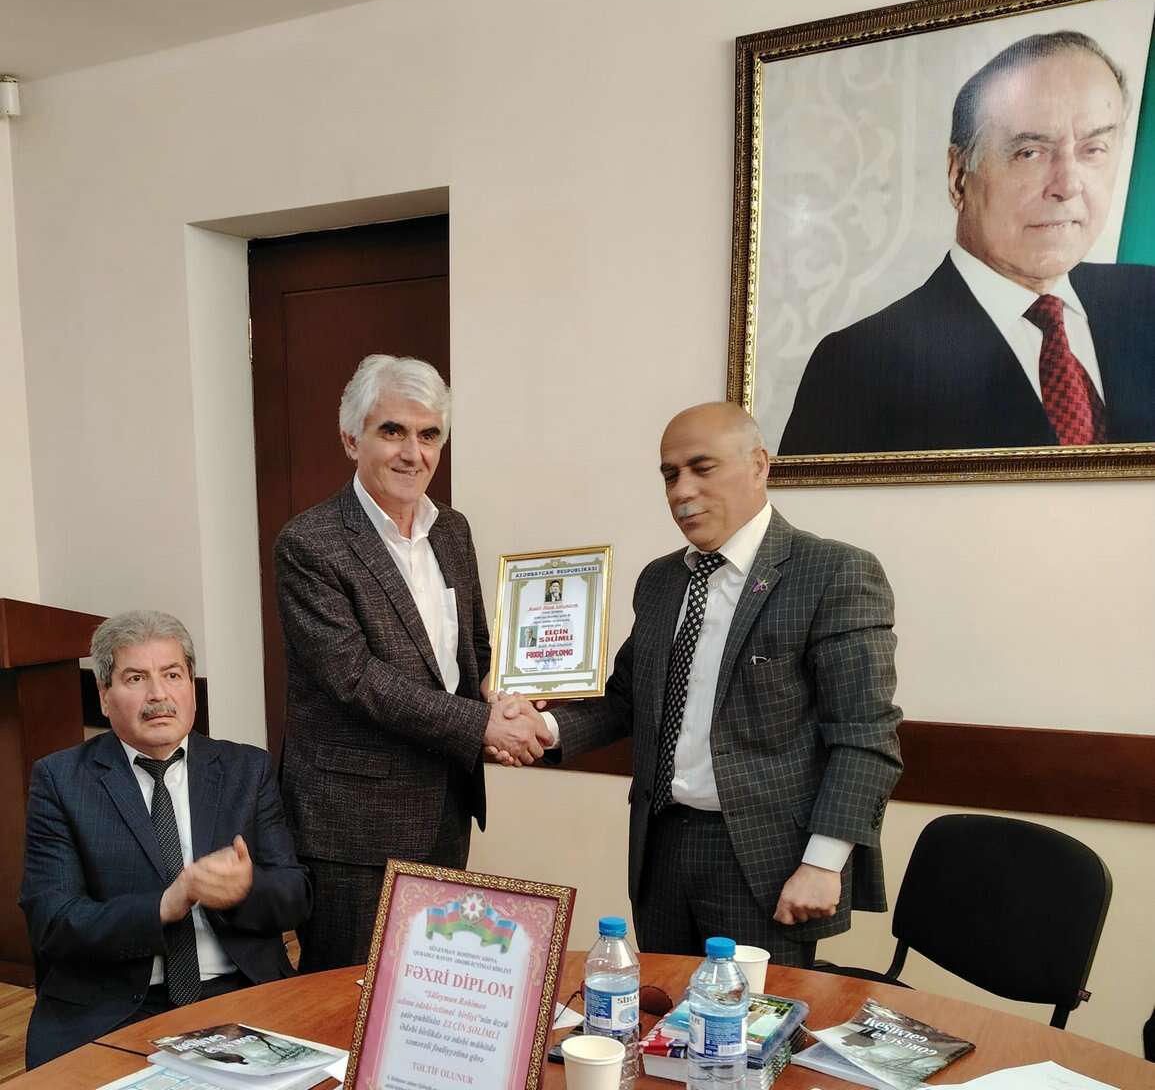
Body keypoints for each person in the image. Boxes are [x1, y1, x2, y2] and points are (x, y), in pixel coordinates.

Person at [520, 402, 901, 964]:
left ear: (759, 465)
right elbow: (626, 700)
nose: (682, 491)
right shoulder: (660, 580)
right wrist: (542, 727)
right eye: (669, 475)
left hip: (766, 862)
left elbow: (866, 734)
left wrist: (823, 862)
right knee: (661, 1010)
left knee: (749, 1020)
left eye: (702, 468)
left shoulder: (832, 572)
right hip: (661, 848)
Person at [274, 354, 548, 973]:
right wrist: (483, 726)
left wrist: (505, 692)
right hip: (352, 825)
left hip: (446, 804)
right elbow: (355, 678)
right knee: (347, 997)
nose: (412, 453)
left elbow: (471, 649)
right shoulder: (309, 543)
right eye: (392, 431)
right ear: (352, 440)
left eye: (429, 435)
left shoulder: (451, 530)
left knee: (430, 989)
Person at [779, 30, 1155, 456]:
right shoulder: (859, 366)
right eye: (1030, 152)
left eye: (1094, 149)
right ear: (959, 177)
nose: (1068, 185)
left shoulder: (1148, 301)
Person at [20, 610, 310, 1068]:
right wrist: (163, 906)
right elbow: (53, 923)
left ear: (191, 686)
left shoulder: (246, 769)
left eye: (172, 675)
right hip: (115, 1011)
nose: (158, 695)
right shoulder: (62, 780)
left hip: (240, 993)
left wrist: (244, 890)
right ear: (104, 695)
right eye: (136, 678)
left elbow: (296, 896)